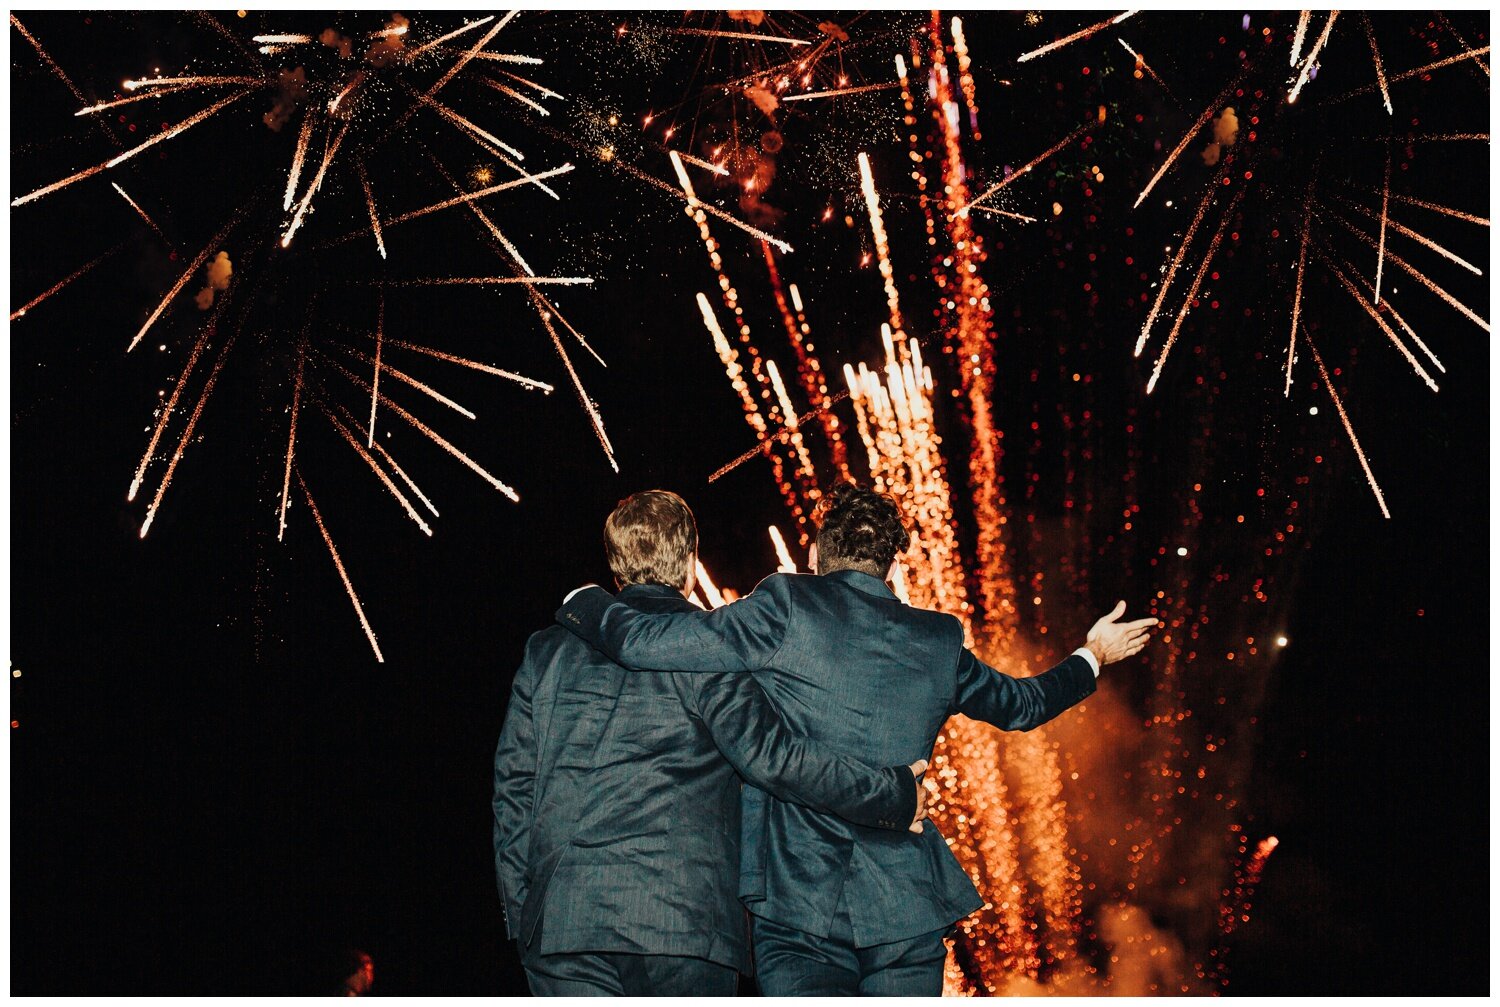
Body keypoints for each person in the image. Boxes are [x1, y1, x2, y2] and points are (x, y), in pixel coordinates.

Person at [555, 483, 1154, 996]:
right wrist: (1092, 654)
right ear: (893, 562)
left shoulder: (784, 605)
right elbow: (1024, 705)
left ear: (816, 553)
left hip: (798, 906)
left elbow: (648, 644)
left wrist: (584, 604)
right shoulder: (938, 640)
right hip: (907, 908)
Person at [493, 489, 927, 997]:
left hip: (564, 925)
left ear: (614, 562)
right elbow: (776, 758)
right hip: (684, 924)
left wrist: (525, 913)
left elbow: (514, 791)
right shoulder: (712, 648)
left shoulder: (547, 651)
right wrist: (889, 795)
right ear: (690, 561)